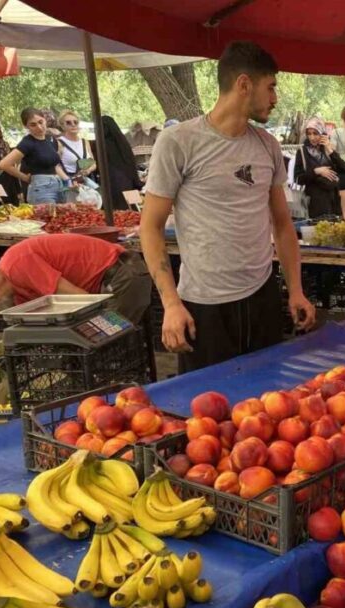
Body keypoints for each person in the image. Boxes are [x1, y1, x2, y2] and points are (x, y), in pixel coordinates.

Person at [140, 41, 315, 373]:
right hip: (204, 307)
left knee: (265, 406)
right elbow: (150, 227)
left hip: (262, 299)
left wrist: (296, 291)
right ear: (244, 85)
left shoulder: (268, 146)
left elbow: (282, 224)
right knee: (208, 414)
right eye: (271, 87)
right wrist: (171, 303)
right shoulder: (178, 142)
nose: (276, 99)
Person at [0, 233, 151, 324]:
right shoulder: (14, 290)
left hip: (123, 275)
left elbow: (84, 301)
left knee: (109, 333)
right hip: (107, 282)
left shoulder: (18, 264)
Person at [0, 108, 73, 205]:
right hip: (41, 188)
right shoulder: (27, 142)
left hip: (58, 186)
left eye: (40, 122)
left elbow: (54, 166)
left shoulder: (51, 140)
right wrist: (25, 177)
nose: (39, 127)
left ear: (45, 119)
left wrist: (68, 180)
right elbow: (4, 164)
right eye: (33, 125)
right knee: (46, 219)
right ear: (26, 126)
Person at [294, 117, 345, 220]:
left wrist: (330, 151)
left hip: (332, 201)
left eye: (315, 133)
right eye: (309, 133)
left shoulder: (327, 149)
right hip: (314, 203)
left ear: (322, 133)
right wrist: (316, 171)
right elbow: (298, 178)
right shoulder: (302, 152)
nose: (312, 137)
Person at [99, 116, 144, 210]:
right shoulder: (122, 142)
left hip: (112, 185)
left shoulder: (101, 145)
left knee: (118, 215)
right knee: (134, 210)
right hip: (129, 181)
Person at [56, 110, 96, 181]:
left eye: (75, 122)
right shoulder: (59, 142)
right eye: (68, 122)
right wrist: (68, 181)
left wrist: (87, 170)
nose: (73, 124)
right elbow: (56, 166)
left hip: (86, 181)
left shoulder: (84, 142)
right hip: (68, 182)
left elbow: (93, 163)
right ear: (62, 126)